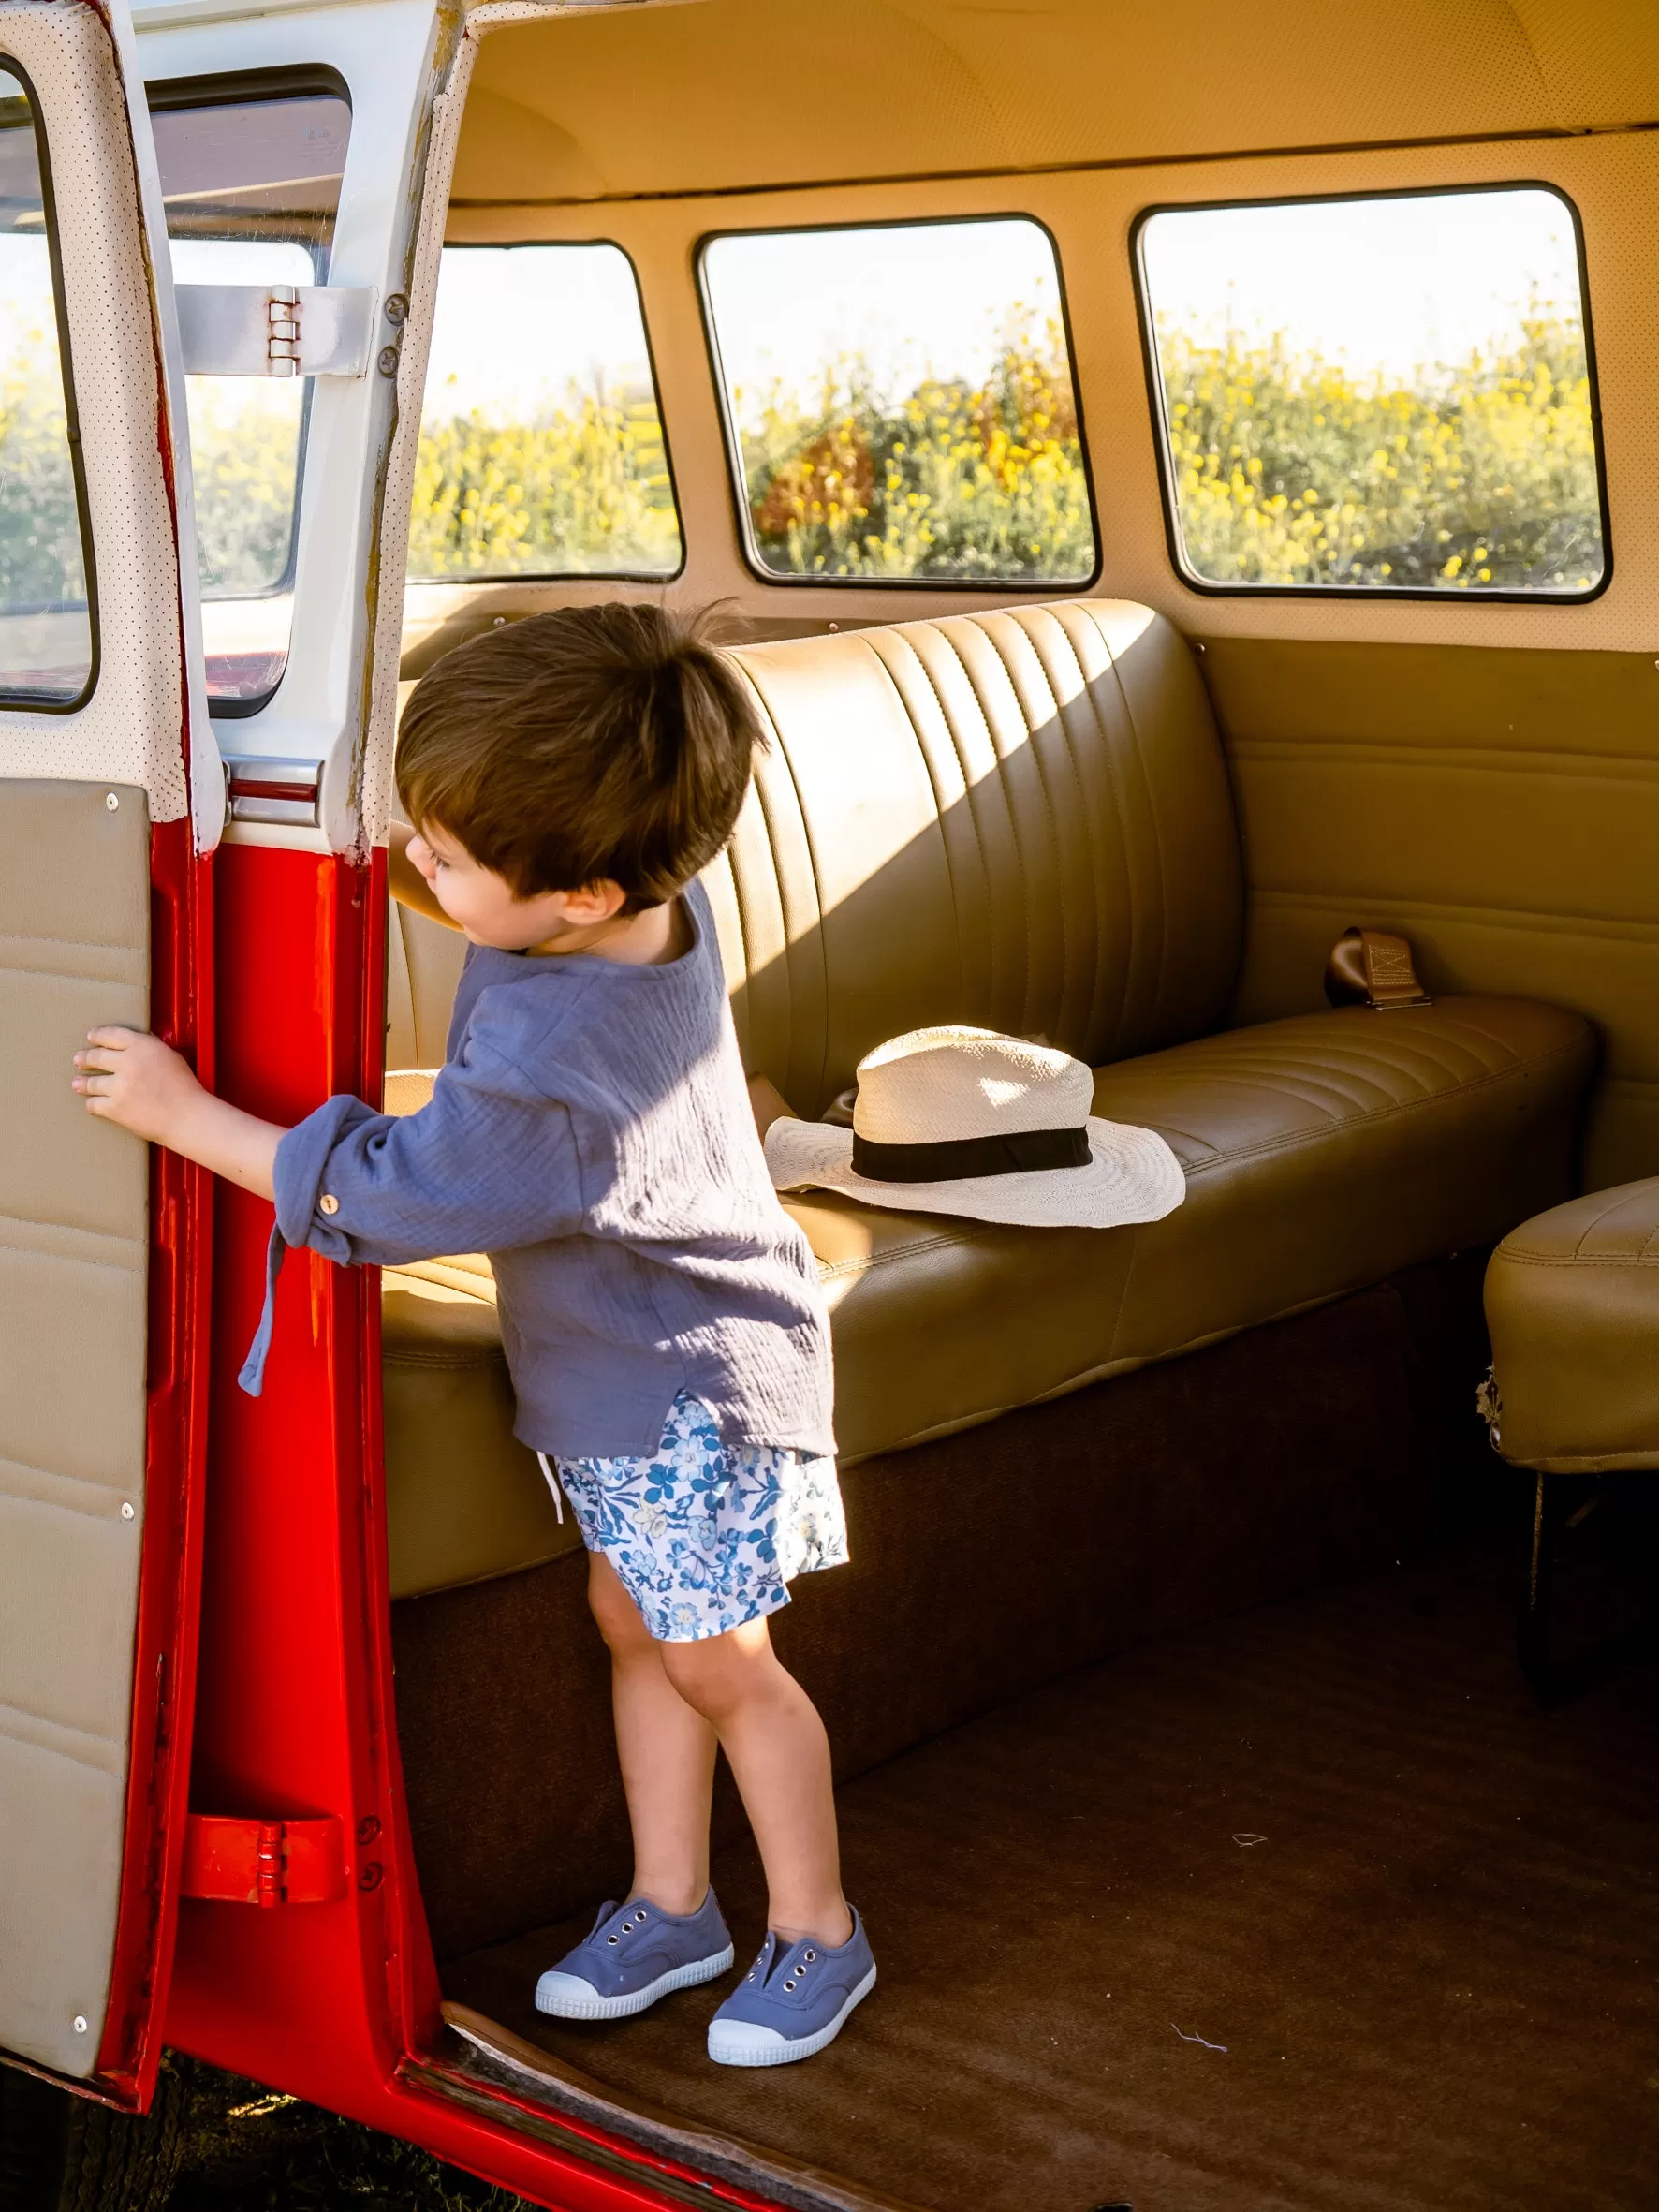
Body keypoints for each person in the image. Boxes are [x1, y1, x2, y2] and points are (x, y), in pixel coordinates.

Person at [71, 604, 874, 2069]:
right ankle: (672, 1900)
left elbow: (397, 1196)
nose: (415, 871)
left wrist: (183, 1116)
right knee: (638, 1625)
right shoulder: (645, 909)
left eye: (443, 858)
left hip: (693, 1394)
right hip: (636, 1375)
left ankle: (817, 1930)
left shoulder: (566, 1065)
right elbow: (491, 1061)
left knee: (722, 1662)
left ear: (576, 891)